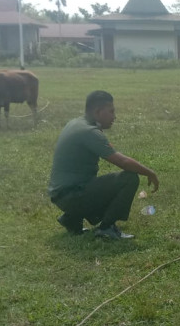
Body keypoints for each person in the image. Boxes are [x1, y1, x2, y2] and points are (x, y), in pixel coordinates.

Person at [48, 90, 159, 240]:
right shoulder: (89, 132)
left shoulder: (76, 123)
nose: (115, 116)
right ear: (98, 111)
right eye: (111, 111)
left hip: (61, 194)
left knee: (98, 183)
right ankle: (106, 228)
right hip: (71, 195)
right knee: (129, 178)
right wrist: (149, 173)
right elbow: (123, 162)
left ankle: (72, 219)